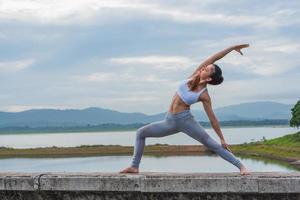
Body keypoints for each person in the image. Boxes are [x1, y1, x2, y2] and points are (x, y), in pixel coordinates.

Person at [119, 44, 251, 175]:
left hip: (186, 121)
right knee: (140, 133)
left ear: (209, 78)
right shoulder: (193, 76)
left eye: (207, 69)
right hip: (169, 121)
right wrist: (232, 48)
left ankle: (241, 166)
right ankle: (134, 167)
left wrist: (222, 138)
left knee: (212, 144)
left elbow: (212, 119)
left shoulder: (204, 95)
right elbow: (214, 57)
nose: (204, 67)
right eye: (205, 67)